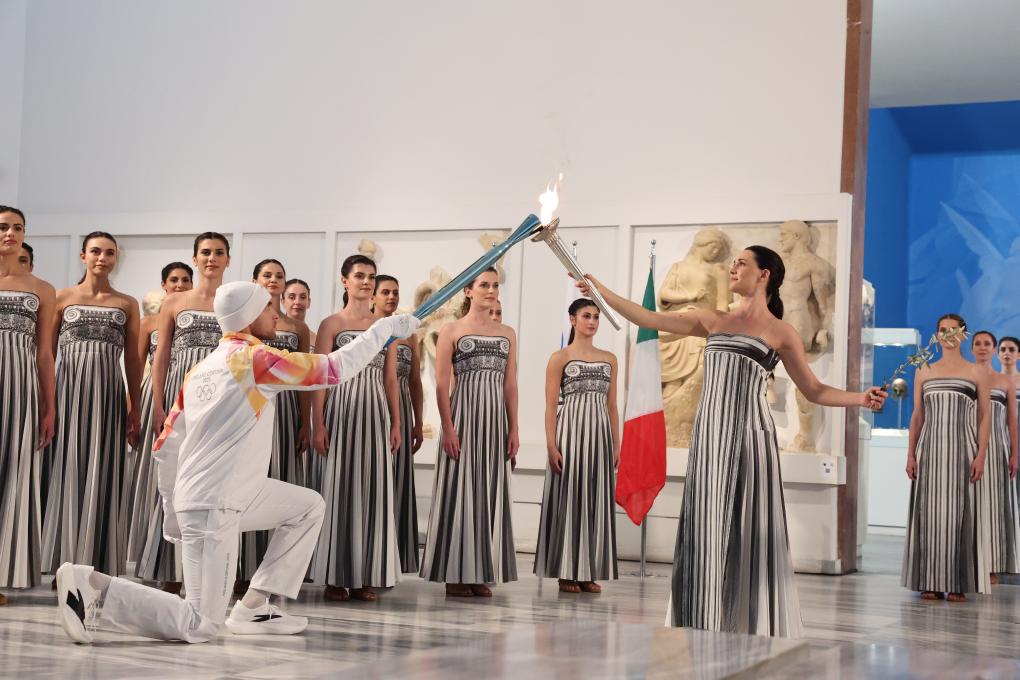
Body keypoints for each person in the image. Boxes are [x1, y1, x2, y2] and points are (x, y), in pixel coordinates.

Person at [54, 281, 420, 644]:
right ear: (247, 317)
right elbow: (334, 369)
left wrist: (173, 508)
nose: (274, 313)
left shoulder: (201, 369)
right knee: (201, 623)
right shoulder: (253, 360)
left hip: (226, 494)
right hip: (214, 503)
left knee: (308, 508)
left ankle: (254, 607)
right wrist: (385, 327)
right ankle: (92, 587)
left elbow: (167, 443)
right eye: (266, 307)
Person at [576, 246, 886, 637]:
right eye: (733, 262)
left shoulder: (781, 332)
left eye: (742, 262)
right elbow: (649, 318)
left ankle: (748, 621)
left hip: (751, 439)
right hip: (709, 438)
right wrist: (599, 290)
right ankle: (701, 616)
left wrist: (860, 399)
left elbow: (814, 389)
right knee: (705, 525)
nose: (733, 267)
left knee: (747, 528)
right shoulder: (713, 319)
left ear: (764, 275)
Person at [41, 232, 142, 579]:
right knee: (67, 469)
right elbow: (46, 353)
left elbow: (133, 359)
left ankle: (96, 566)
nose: (102, 257)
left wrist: (135, 406)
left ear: (116, 258)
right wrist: (46, 401)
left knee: (104, 471)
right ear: (83, 255)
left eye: (109, 253)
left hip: (109, 397)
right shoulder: (61, 297)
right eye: (96, 251)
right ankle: (63, 564)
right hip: (67, 394)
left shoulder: (127, 303)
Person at [420, 267, 520, 597]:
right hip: (462, 419)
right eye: (484, 285)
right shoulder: (451, 331)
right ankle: (455, 573)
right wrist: (448, 428)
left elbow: (510, 385)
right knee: (460, 491)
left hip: (494, 423)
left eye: (495, 285)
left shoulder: (507, 333)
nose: (491, 290)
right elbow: (441, 385)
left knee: (487, 492)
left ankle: (479, 572)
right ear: (468, 291)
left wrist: (514, 428)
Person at [139, 232, 229, 593]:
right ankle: (169, 569)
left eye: (219, 252)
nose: (212, 258)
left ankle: (211, 573)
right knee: (173, 477)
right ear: (195, 258)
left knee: (214, 482)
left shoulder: (232, 299)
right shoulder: (175, 302)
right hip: (180, 397)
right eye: (205, 252)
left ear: (227, 259)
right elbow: (161, 355)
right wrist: (157, 403)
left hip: (220, 400)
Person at [312, 255, 402, 602]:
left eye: (371, 276)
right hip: (341, 410)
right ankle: (336, 575)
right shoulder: (331, 324)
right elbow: (320, 376)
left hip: (375, 412)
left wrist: (396, 421)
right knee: (339, 487)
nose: (366, 282)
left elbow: (390, 378)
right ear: (344, 281)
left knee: (373, 490)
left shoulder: (387, 326)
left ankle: (367, 575)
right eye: (360, 275)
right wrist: (318, 423)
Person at [237, 259, 314, 591]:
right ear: (255, 280)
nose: (273, 280)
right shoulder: (247, 321)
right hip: (252, 408)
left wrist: (306, 423)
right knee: (248, 483)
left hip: (286, 413)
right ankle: (240, 569)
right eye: (266, 275)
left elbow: (307, 379)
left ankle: (271, 576)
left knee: (281, 484)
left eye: (278, 276)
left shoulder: (298, 329)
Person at [902, 314, 991, 602]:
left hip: (963, 451)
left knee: (959, 515)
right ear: (936, 335)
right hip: (929, 452)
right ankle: (928, 580)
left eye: (954, 330)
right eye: (943, 330)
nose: (948, 335)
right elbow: (918, 414)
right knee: (929, 515)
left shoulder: (976, 371)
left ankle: (957, 582)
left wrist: (981, 454)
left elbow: (985, 416)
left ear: (963, 335)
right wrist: (911, 454)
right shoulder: (924, 369)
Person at [534, 298, 620, 593]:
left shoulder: (609, 359)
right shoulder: (560, 358)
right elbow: (550, 406)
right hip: (570, 435)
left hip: (600, 437)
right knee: (569, 498)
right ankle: (566, 572)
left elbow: (612, 406)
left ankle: (587, 571)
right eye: (586, 316)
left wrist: (616, 444)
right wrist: (551, 445)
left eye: (596, 316)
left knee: (595, 499)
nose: (592, 321)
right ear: (572, 319)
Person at [0, 206, 57, 607]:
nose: (10, 233)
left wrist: (49, 406)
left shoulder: (42, 289)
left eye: (17, 227)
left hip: (20, 391)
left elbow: (44, 353)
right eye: (3, 227)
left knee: (12, 477)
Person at [125, 262, 193, 571]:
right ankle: (152, 558)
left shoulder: (195, 318)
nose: (179, 285)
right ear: (164, 284)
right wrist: (134, 409)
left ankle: (183, 560)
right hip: (157, 398)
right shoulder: (148, 323)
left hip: (188, 395)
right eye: (174, 280)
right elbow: (136, 368)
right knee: (157, 479)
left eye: (185, 280)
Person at [374, 274, 425, 573]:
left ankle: (394, 555)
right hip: (370, 407)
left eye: (395, 292)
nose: (391, 297)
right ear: (374, 296)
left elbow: (415, 381)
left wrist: (418, 422)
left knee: (398, 479)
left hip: (401, 413)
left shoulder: (408, 332)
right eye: (385, 292)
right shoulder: (366, 329)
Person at [977, 333, 1020, 583]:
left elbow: (1011, 421)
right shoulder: (969, 375)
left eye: (1010, 349)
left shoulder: (1005, 382)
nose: (1006, 353)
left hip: (999, 446)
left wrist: (1014, 451)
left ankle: (994, 562)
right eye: (978, 343)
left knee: (997, 504)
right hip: (971, 444)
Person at [283, 278, 316, 347]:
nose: (297, 302)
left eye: (303, 297)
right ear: (283, 301)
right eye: (292, 297)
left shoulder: (317, 339)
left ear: (309, 302)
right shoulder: (272, 334)